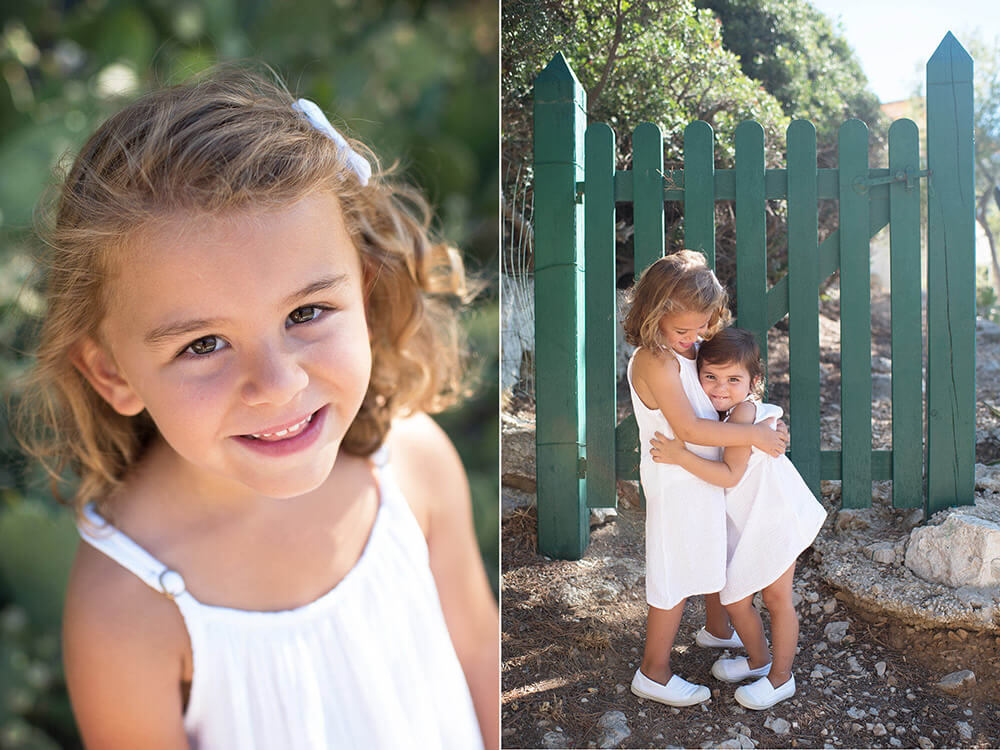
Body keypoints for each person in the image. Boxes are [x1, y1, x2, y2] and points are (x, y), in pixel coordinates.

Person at [15, 69, 498, 749]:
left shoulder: (414, 464)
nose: (275, 383)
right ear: (111, 372)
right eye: (203, 344)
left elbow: (479, 660)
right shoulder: (127, 605)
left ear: (362, 291)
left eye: (307, 312)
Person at [622, 252, 789, 707]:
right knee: (673, 572)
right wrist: (752, 434)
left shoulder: (687, 347)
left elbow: (727, 396)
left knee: (716, 551)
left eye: (703, 328)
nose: (696, 339)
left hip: (706, 475)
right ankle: (653, 671)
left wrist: (765, 422)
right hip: (675, 477)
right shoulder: (654, 361)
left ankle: (719, 632)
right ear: (652, 315)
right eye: (685, 331)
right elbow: (691, 429)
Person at [649, 327, 827, 710]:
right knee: (735, 596)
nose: (719, 388)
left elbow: (729, 475)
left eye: (733, 380)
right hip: (755, 521)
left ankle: (781, 678)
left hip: (775, 518)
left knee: (777, 597)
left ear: (753, 382)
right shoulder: (729, 414)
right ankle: (759, 661)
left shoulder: (743, 414)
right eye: (710, 377)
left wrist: (681, 456)